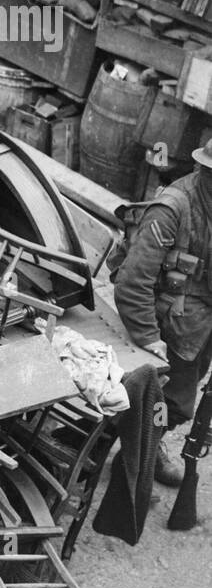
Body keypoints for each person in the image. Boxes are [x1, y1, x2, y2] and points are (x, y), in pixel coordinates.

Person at [114, 139, 212, 486]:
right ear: (205, 170)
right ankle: (127, 446)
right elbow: (131, 284)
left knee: (178, 403)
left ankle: (144, 441)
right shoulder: (172, 209)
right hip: (165, 321)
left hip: (199, 323)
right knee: (173, 403)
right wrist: (148, 338)